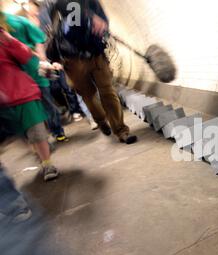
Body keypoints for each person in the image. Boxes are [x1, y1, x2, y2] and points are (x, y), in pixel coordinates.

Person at [46, 0, 138, 144]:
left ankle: (121, 131)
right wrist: (90, 17)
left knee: (108, 91)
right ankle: (100, 120)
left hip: (96, 53)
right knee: (88, 95)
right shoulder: (59, 4)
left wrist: (104, 25)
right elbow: (68, 11)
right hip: (74, 60)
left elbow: (102, 17)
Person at [0, 22, 59, 182]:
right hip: (3, 105)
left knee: (36, 130)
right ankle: (39, 153)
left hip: (21, 92)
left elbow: (26, 57)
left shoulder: (3, 39)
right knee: (21, 135)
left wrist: (9, 40)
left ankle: (47, 163)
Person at [2, 8, 69, 143]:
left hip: (32, 68)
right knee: (30, 109)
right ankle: (40, 139)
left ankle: (56, 131)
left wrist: (43, 60)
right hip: (15, 76)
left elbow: (38, 39)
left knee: (46, 102)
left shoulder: (17, 21)